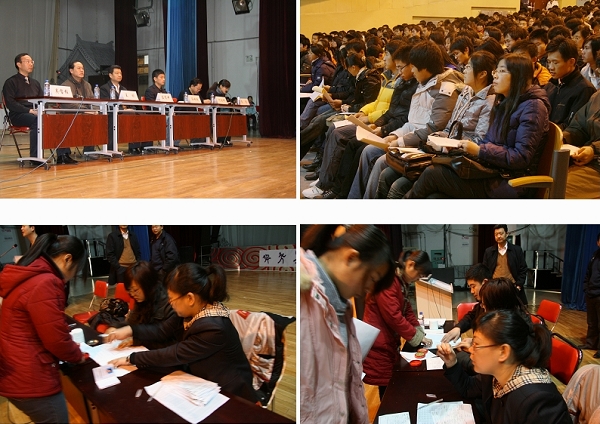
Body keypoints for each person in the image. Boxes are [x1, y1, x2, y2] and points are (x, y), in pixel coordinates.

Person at [404, 54, 550, 199]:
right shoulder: (505, 102)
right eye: (496, 71)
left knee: (433, 174)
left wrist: (480, 150)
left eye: (501, 71)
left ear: (518, 76)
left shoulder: (533, 107)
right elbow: (489, 142)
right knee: (434, 196)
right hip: (492, 172)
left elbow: (521, 157)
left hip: (509, 182)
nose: (495, 76)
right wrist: (459, 147)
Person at [107, 263, 257, 403]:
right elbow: (161, 330)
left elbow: (174, 354)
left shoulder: (213, 328)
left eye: (172, 299)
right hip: (204, 382)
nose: (170, 303)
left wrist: (131, 358)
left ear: (190, 298)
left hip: (231, 393)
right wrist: (130, 330)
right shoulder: (191, 312)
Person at [300, 224, 395, 424]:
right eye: (371, 278)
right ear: (351, 258)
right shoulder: (302, 297)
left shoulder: (341, 306)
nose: (368, 289)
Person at [0, 233, 87, 423]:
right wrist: (77, 355)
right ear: (67, 259)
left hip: (15, 370)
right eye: (77, 269)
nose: (73, 276)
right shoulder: (46, 281)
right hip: (31, 378)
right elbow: (56, 339)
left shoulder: (31, 273)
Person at [438, 309, 571, 424]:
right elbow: (468, 388)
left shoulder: (538, 402)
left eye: (476, 344)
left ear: (503, 352)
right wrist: (452, 363)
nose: (471, 350)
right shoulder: (496, 373)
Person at [362, 250, 433, 400]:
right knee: (387, 385)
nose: (418, 279)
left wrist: (419, 331)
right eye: (419, 275)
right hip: (379, 340)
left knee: (391, 380)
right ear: (411, 265)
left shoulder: (401, 281)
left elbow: (406, 309)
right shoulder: (389, 280)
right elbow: (394, 316)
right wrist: (416, 336)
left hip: (387, 338)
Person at [103, 261, 176, 349]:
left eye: (135, 290)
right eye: (129, 290)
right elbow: (133, 322)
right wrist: (115, 327)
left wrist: (134, 338)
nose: (132, 294)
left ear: (148, 285)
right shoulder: (142, 299)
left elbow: (162, 334)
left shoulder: (168, 302)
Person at [543, 36, 595, 129]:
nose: (550, 67)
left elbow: (574, 127)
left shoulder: (584, 89)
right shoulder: (551, 85)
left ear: (571, 62)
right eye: (549, 62)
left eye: (555, 62)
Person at [2, 53, 43, 160]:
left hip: (35, 112)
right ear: (19, 64)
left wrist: (41, 109)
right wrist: (29, 110)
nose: (31, 64)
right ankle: (36, 157)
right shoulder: (11, 82)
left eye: (32, 62)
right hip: (18, 114)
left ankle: (63, 155)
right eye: (27, 61)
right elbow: (10, 103)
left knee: (55, 119)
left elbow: (42, 100)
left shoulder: (35, 83)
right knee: (37, 120)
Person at [442, 263, 492, 343]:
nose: (472, 291)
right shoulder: (480, 304)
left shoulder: (497, 306)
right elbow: (471, 317)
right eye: (470, 287)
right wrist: (458, 328)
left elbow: (494, 339)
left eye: (473, 286)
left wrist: (473, 342)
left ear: (485, 282)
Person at [482, 225, 529, 306]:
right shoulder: (489, 251)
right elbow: (485, 270)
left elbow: (523, 269)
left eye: (501, 233)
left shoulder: (516, 250)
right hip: (494, 288)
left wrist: (518, 286)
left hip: (512, 287)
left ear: (507, 234)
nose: (498, 236)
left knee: (513, 310)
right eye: (496, 234)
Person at [61, 61, 97, 162]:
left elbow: (93, 101)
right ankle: (64, 153)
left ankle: (89, 151)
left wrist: (95, 110)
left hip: (86, 113)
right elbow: (68, 104)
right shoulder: (66, 85)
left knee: (98, 117)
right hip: (70, 114)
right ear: (71, 71)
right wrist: (85, 111)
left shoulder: (87, 85)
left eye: (82, 68)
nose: (82, 70)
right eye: (78, 68)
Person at [100, 65, 136, 152]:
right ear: (110, 75)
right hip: (110, 114)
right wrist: (123, 108)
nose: (119, 75)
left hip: (123, 114)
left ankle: (134, 147)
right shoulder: (104, 88)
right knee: (113, 119)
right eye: (117, 73)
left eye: (120, 73)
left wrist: (130, 108)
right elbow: (107, 104)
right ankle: (111, 148)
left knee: (136, 116)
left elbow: (130, 103)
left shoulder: (123, 89)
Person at [580, 232, 600, 359]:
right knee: (592, 322)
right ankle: (591, 343)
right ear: (598, 242)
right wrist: (586, 287)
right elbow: (588, 273)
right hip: (591, 294)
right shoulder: (595, 255)